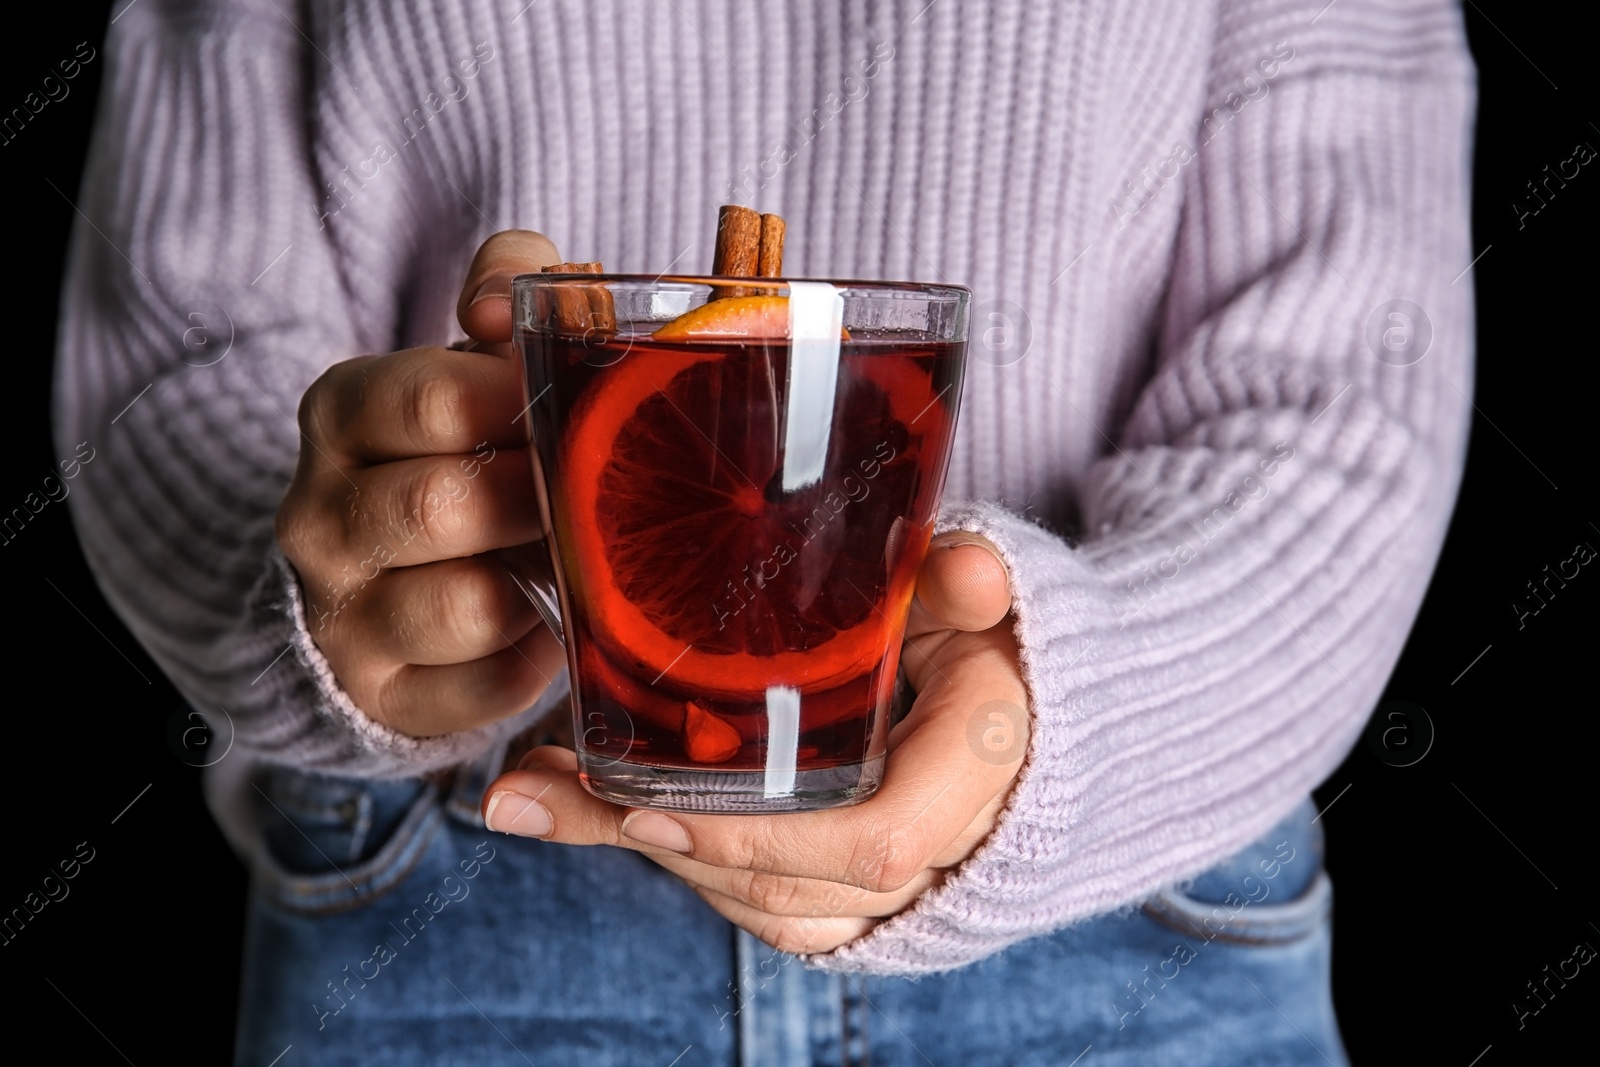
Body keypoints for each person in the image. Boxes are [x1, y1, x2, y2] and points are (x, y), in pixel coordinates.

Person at [57, 0, 1475, 1063]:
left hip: (1129, 916)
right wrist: (338, 577)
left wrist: (1071, 720)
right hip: (450, 901)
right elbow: (178, 336)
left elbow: (1342, 386)